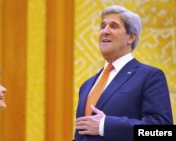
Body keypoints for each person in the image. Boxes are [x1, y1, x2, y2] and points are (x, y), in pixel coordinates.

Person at [74, 5, 173, 141]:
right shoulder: (87, 85)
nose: (105, 31)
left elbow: (162, 131)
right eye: (103, 26)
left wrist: (105, 125)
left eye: (113, 26)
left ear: (131, 38)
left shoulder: (150, 76)